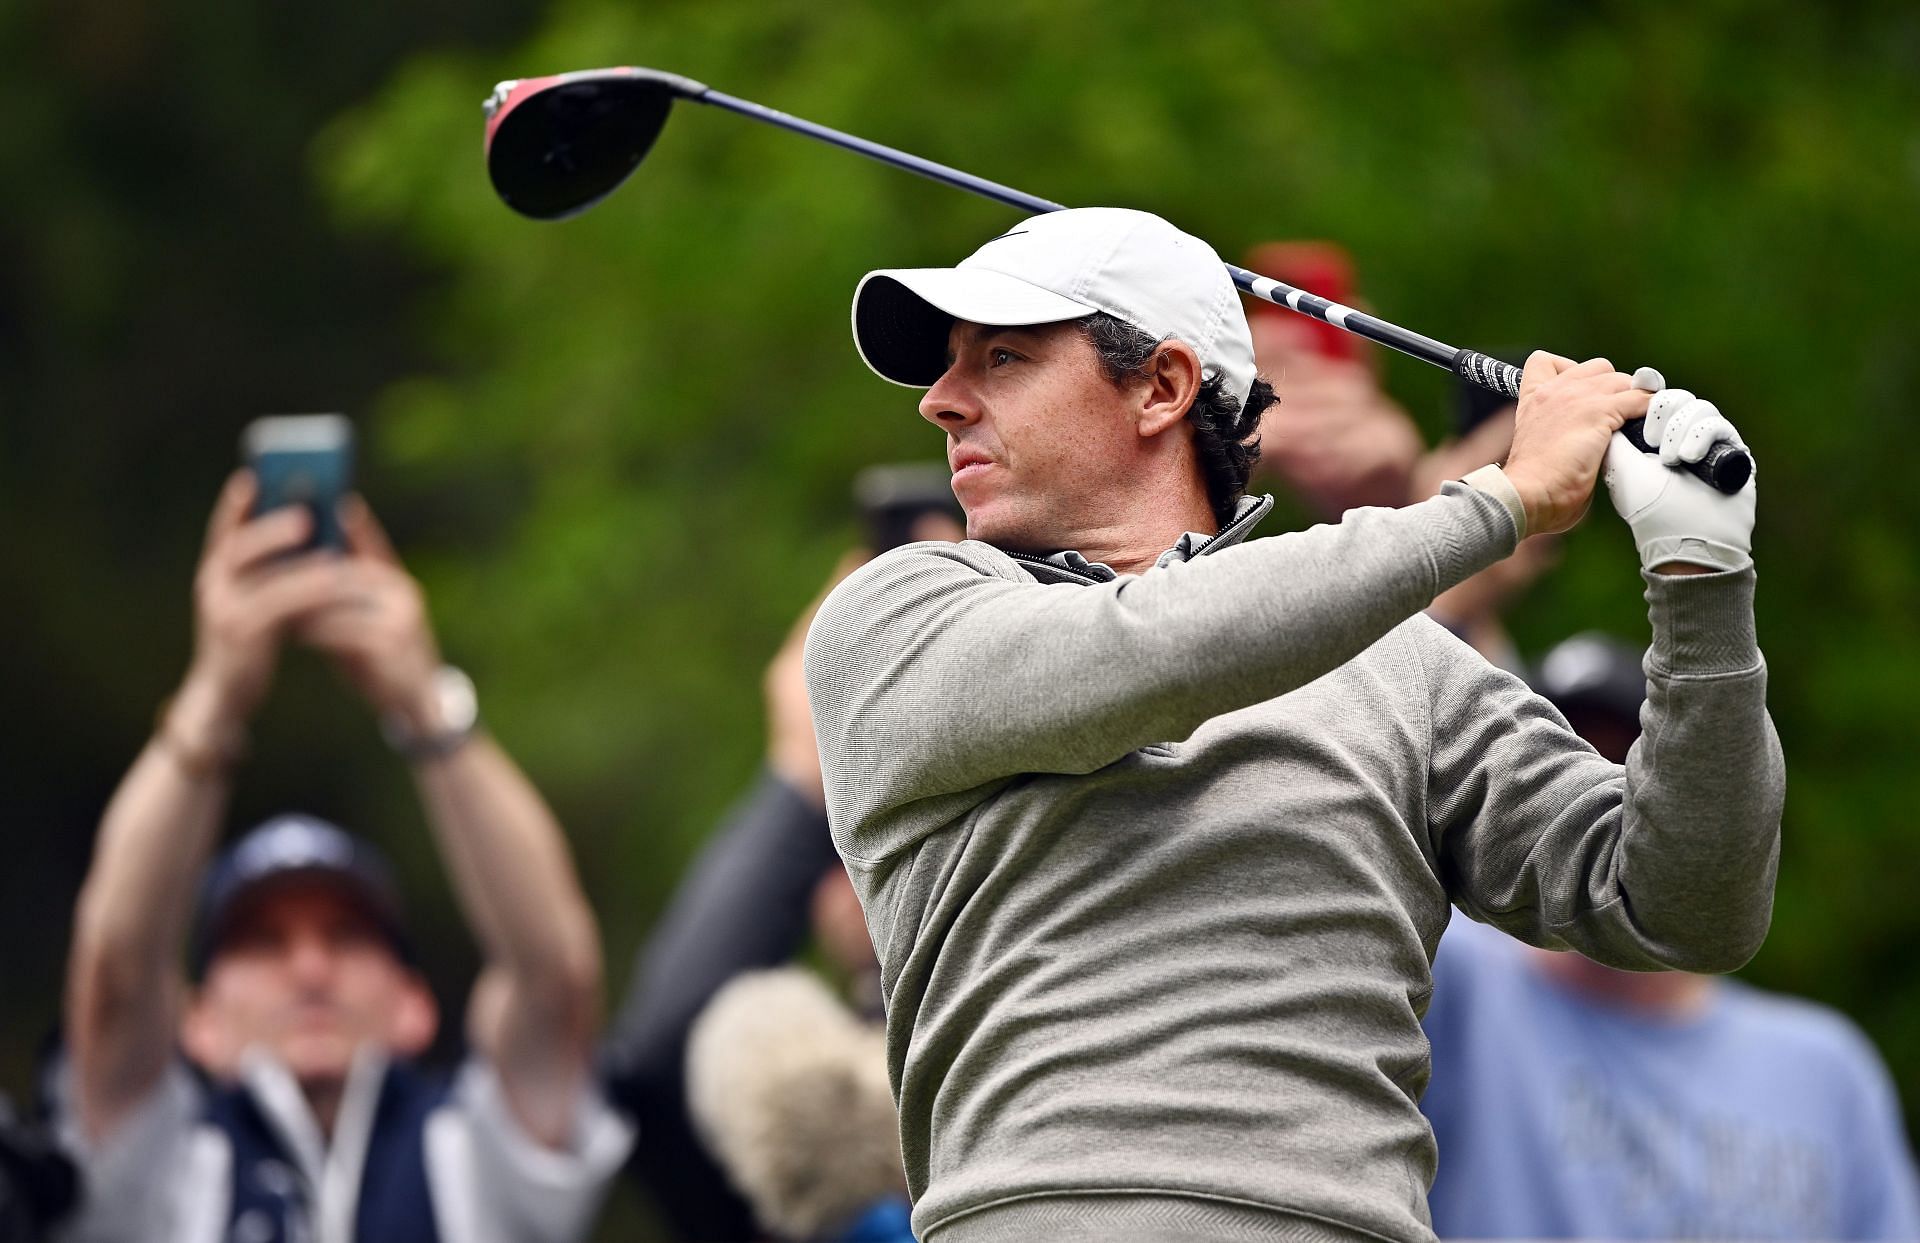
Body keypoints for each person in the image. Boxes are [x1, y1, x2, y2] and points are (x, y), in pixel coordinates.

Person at [803, 206, 1781, 1243]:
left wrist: (1702, 583)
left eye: (1001, 358)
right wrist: (1500, 498)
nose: (942, 404)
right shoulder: (898, 616)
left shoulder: (1405, 665)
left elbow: (1688, 905)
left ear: (1163, 388)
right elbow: (1155, 649)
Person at [55, 474, 632, 1241]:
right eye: (263, 941)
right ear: (200, 1021)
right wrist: (214, 696)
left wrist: (426, 704)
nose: (311, 969)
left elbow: (555, 974)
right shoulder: (164, 1173)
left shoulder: (476, 1157)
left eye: (349, 936)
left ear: (413, 1004)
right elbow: (116, 974)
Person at [1422, 633, 1920, 1241]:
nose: (1595, 811)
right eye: (1563, 770)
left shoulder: (1829, 1073)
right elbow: (1416, 737)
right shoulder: (1464, 989)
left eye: (1623, 770)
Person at [606, 489, 961, 1242]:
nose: (851, 868)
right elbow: (663, 1062)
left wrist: (800, 781)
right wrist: (804, 777)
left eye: (886, 826)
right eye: (837, 840)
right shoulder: (813, 1145)